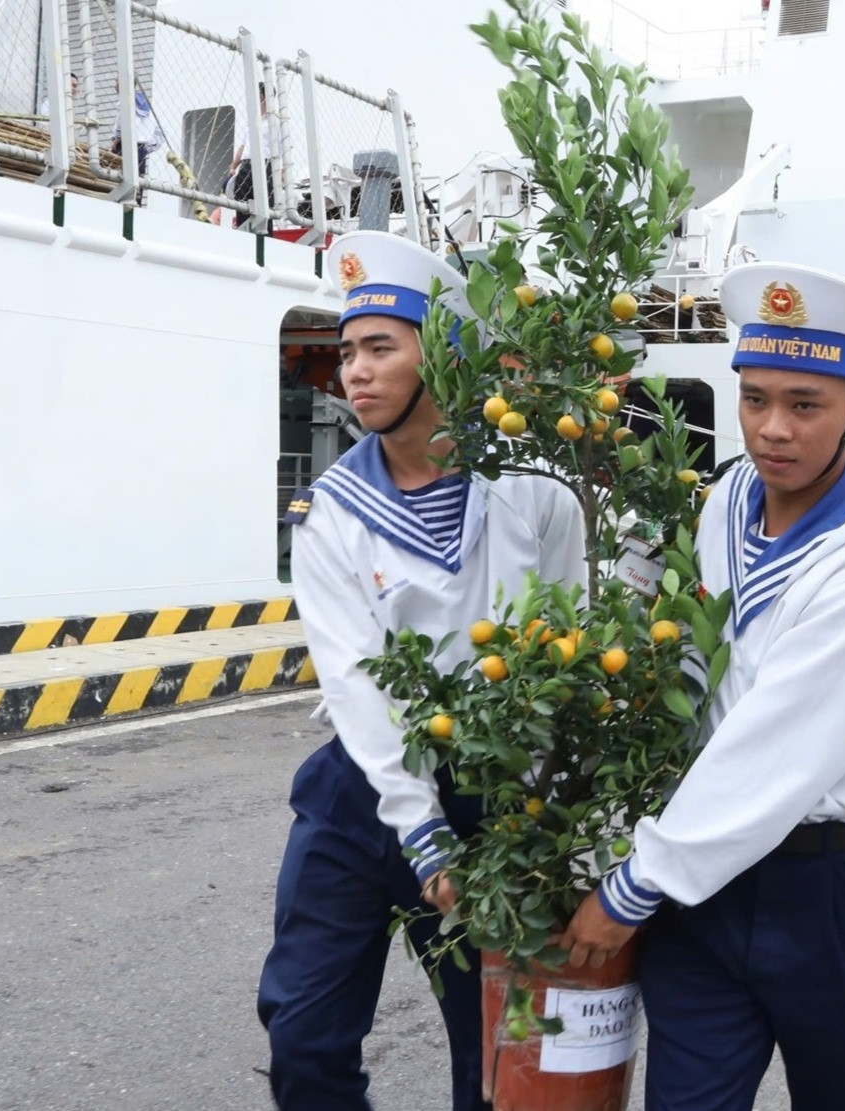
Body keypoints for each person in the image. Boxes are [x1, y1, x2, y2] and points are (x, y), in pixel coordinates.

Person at [560, 262, 845, 1111]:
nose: (772, 430)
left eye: (805, 405)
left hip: (837, 895)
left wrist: (631, 886)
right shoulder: (731, 496)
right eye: (754, 398)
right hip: (712, 884)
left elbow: (767, 756)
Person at [255, 230, 585, 1111]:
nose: (354, 372)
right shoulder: (332, 514)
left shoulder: (534, 498)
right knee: (302, 1032)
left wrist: (539, 810)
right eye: (348, 350)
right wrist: (421, 829)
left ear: (439, 354)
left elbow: (565, 654)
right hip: (367, 791)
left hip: (496, 792)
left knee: (495, 1056)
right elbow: (357, 686)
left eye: (380, 348)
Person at [230, 82, 279, 231]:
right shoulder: (252, 121)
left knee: (264, 208)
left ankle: (264, 239)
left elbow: (281, 152)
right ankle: (243, 234)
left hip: (265, 165)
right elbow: (243, 146)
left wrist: (280, 175)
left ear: (264, 98)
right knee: (242, 204)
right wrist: (233, 167)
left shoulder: (276, 122)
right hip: (246, 165)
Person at [111, 84, 163, 195]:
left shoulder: (128, 100)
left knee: (118, 177)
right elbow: (159, 131)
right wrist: (148, 147)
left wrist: (117, 138)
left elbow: (122, 120)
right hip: (140, 147)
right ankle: (135, 201)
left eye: (117, 80)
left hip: (126, 145)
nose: (115, 84)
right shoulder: (145, 105)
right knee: (138, 178)